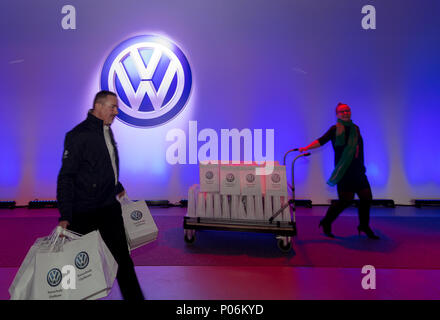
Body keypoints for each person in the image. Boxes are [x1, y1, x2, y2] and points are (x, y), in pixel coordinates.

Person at [56, 90, 145, 299]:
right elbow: (66, 177)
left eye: (116, 107)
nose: (116, 112)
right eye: (112, 107)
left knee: (123, 260)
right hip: (83, 213)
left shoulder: (107, 130)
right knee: (82, 265)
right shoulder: (77, 136)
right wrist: (65, 216)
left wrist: (117, 185)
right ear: (98, 106)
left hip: (108, 209)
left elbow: (103, 166)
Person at [299, 103, 379, 239]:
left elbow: (359, 149)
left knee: (366, 198)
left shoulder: (356, 129)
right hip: (344, 172)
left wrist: (361, 165)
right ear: (337, 114)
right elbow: (321, 141)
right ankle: (326, 222)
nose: (346, 113)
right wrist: (306, 147)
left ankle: (364, 226)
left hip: (358, 171)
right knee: (345, 201)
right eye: (342, 111)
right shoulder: (334, 129)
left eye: (348, 110)